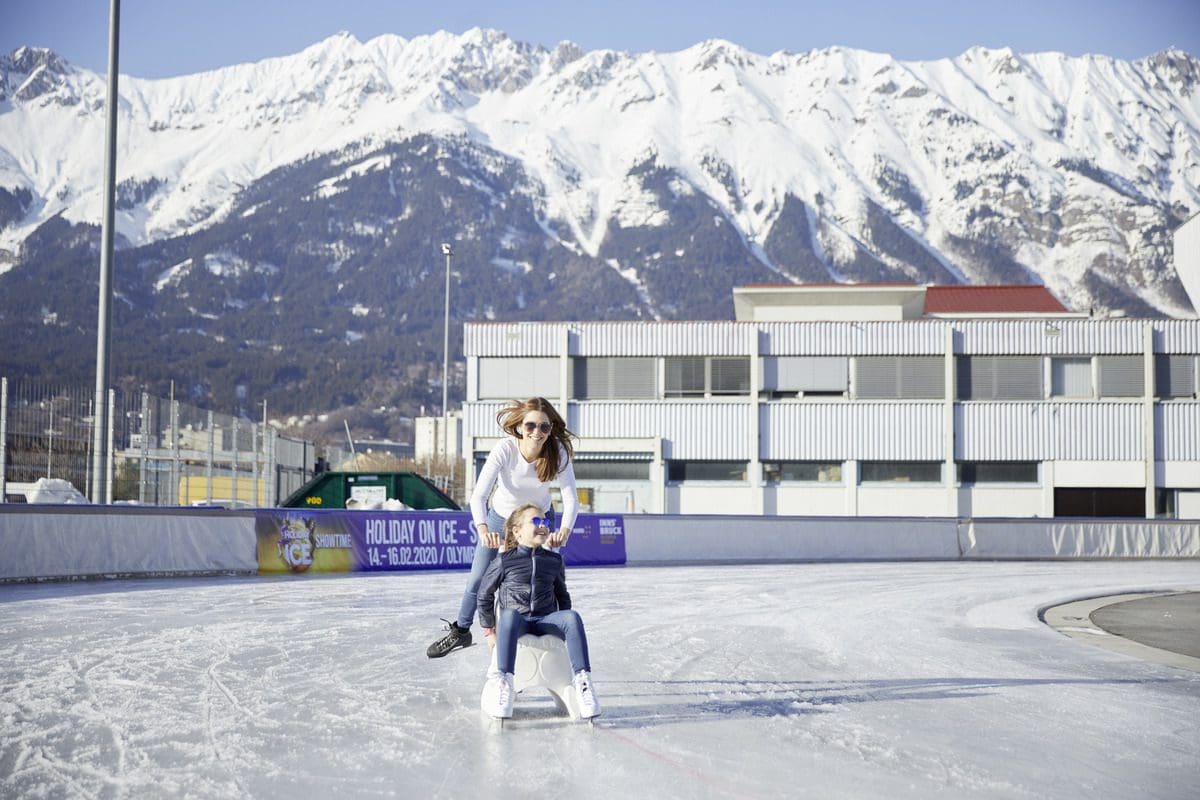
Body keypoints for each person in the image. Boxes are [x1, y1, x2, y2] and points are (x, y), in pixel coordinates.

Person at [425, 397, 578, 658]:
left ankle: (548, 629)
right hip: (502, 518)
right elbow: (478, 496)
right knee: (480, 578)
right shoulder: (505, 450)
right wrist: (484, 529)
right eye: (531, 426)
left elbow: (571, 497)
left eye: (544, 427)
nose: (537, 433)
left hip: (538, 519)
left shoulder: (558, 450)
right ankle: (462, 630)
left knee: (545, 576)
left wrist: (565, 529)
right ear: (520, 427)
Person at [477, 503, 600, 720]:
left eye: (545, 521)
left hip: (545, 620)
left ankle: (583, 683)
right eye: (536, 521)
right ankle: (504, 681)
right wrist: (489, 631)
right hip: (518, 621)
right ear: (517, 531)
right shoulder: (504, 561)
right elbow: (484, 595)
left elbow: (562, 595)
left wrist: (565, 631)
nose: (543, 525)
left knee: (572, 617)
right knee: (508, 614)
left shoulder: (553, 560)